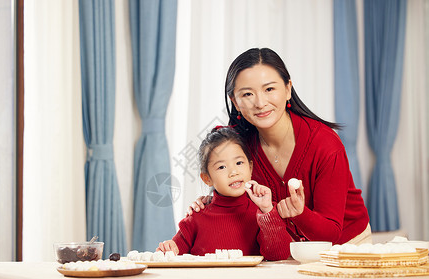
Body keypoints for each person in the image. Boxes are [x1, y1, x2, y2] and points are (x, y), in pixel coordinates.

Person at [189, 48, 371, 246]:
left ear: (287, 89)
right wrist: (211, 201)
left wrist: (300, 214)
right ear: (235, 101)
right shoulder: (238, 144)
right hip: (282, 248)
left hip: (345, 246)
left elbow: (330, 233)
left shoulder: (325, 144)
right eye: (248, 94)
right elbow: (216, 157)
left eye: (269, 89)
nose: (260, 103)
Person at [157, 126, 292, 260]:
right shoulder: (196, 217)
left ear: (250, 168)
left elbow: (279, 255)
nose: (233, 172)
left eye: (239, 163)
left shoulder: (263, 213)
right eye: (222, 167)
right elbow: (172, 255)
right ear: (207, 178)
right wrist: (168, 248)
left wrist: (267, 210)